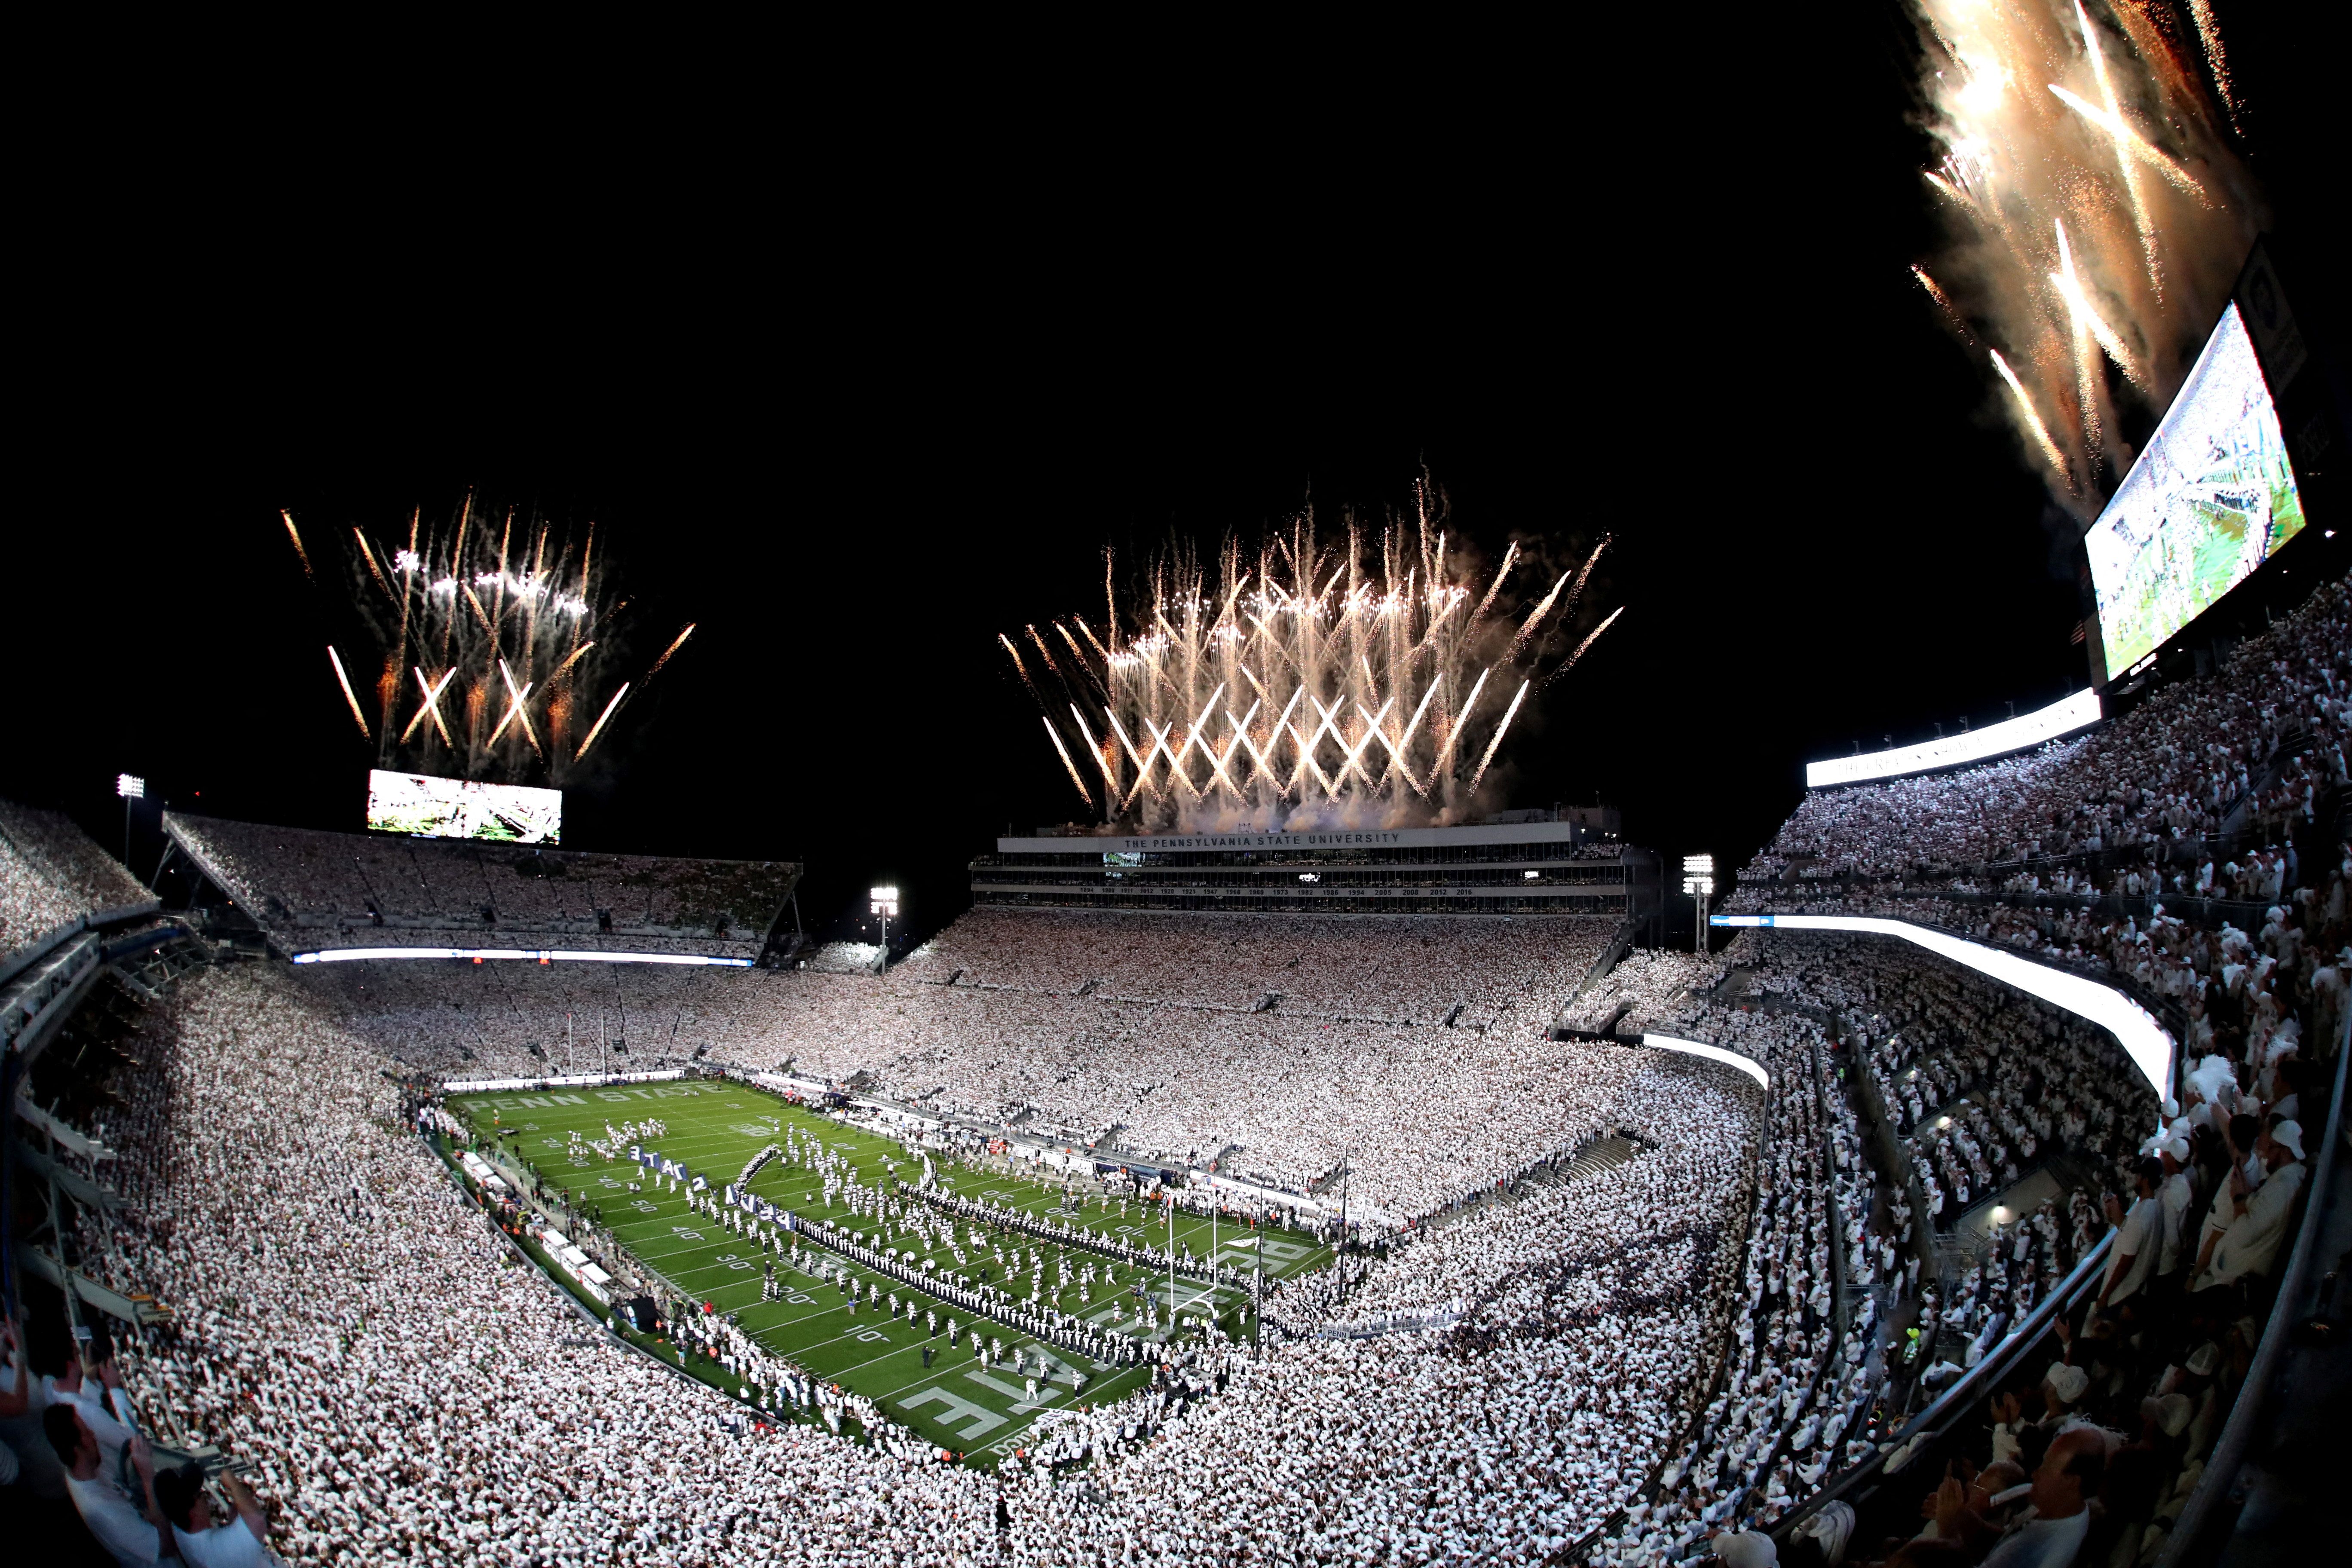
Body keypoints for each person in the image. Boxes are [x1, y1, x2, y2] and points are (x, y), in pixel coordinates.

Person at [45, 1403, 168, 1566]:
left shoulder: (87, 1464)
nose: (93, 1434)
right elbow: (166, 1547)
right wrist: (148, 1478)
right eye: (87, 1433)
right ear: (77, 1449)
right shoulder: (104, 1512)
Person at [155, 1458, 279, 1567]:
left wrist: (233, 1526)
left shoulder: (179, 1527)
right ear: (192, 1514)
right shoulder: (219, 1554)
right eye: (200, 1495)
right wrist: (232, 1483)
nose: (205, 1498)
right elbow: (257, 1519)